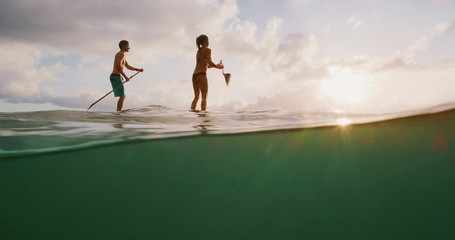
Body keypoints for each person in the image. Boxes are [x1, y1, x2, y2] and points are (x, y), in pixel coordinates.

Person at [191, 34, 224, 111]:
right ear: (205, 41)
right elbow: (209, 61)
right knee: (204, 97)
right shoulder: (208, 50)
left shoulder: (198, 52)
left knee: (196, 97)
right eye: (208, 40)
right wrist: (218, 67)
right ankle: (203, 116)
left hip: (194, 75)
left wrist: (216, 65)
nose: (209, 42)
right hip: (202, 75)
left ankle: (191, 113)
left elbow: (205, 65)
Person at [110, 40, 144, 111]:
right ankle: (119, 113)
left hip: (117, 77)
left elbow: (128, 66)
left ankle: (119, 112)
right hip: (115, 76)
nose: (129, 47)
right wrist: (125, 76)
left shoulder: (123, 56)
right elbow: (118, 66)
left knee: (122, 96)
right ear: (123, 46)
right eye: (127, 45)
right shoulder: (120, 54)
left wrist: (138, 69)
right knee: (122, 96)